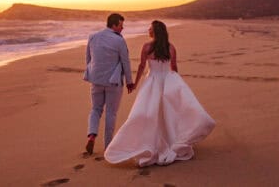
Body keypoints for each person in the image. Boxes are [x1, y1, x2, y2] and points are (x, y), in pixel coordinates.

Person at [104, 20, 216, 167]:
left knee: (149, 112)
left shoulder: (147, 47)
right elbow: (174, 67)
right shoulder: (170, 47)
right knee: (169, 112)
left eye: (150, 28)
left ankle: (152, 140)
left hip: (152, 81)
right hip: (168, 80)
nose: (148, 30)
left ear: (155, 31)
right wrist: (176, 82)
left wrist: (135, 83)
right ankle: (170, 139)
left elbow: (142, 66)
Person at [83, 13, 135, 155]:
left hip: (96, 80)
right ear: (114, 25)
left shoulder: (93, 36)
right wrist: (130, 81)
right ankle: (108, 146)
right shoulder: (119, 40)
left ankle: (92, 135)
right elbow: (125, 62)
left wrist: (92, 74)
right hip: (113, 82)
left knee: (95, 109)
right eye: (121, 25)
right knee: (111, 113)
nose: (122, 28)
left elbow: (88, 59)